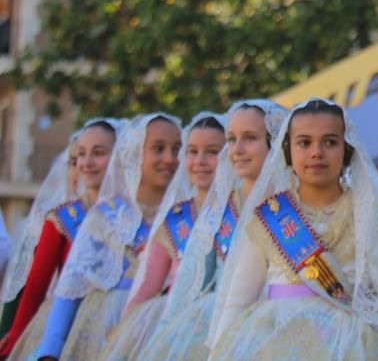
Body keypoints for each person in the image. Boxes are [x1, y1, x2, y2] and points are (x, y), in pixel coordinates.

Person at [207, 99, 378, 359]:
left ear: (347, 149)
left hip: (352, 342)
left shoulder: (368, 211)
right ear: (287, 151)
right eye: (304, 143)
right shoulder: (269, 217)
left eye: (330, 142)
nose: (316, 152)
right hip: (276, 340)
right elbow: (237, 301)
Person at [142, 100, 287, 361]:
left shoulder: (292, 207)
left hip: (283, 327)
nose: (238, 149)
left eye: (250, 138)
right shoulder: (218, 212)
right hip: (216, 329)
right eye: (231, 139)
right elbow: (188, 290)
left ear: (275, 141)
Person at [35, 114, 182, 360]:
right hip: (106, 328)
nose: (169, 158)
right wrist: (51, 349)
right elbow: (71, 286)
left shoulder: (183, 216)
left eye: (177, 149)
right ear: (134, 154)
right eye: (158, 149)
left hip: (163, 330)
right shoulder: (107, 218)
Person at [101, 113, 227, 360]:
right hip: (174, 327)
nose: (200, 161)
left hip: (222, 326)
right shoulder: (175, 218)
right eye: (192, 152)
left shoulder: (238, 212)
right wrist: (124, 334)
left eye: (212, 152)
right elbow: (148, 287)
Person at [0, 120, 120, 359]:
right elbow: (36, 286)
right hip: (65, 326)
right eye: (79, 157)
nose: (86, 164)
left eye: (98, 153)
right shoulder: (64, 218)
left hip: (117, 323)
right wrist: (13, 339)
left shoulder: (129, 216)